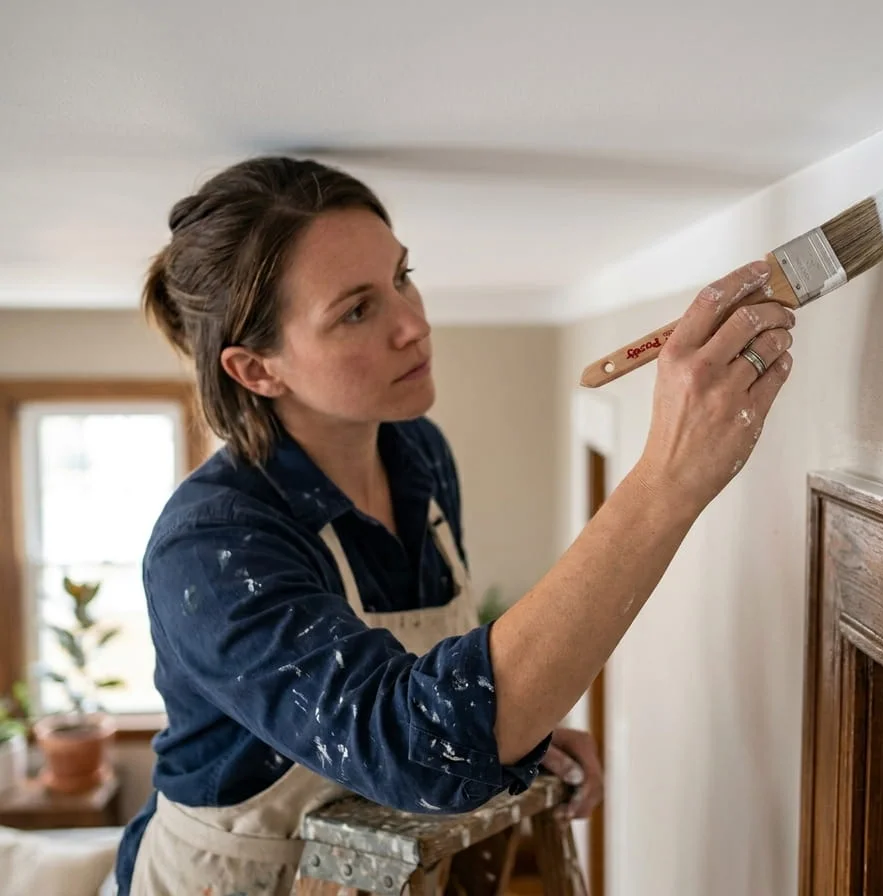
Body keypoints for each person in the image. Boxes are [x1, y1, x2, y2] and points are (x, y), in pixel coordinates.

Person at [113, 155, 795, 895]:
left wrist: (516, 730)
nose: (414, 324)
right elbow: (417, 748)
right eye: (356, 310)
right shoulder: (212, 546)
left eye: (402, 277)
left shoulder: (416, 452)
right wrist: (666, 482)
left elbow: (416, 693)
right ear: (256, 370)